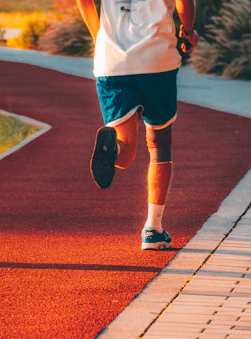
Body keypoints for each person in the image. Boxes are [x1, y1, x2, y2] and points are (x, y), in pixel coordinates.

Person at [77, 0, 199, 250]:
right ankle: (153, 230)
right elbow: (184, 3)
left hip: (112, 62)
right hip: (157, 60)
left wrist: (97, 36)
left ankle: (113, 151)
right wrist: (187, 32)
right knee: (160, 144)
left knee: (126, 153)